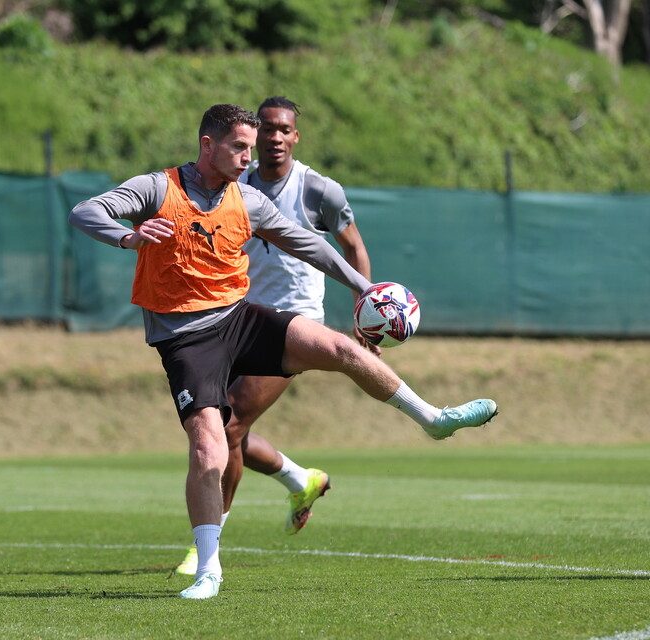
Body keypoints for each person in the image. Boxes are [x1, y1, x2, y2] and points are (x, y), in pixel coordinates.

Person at [69, 103, 498, 600]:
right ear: (207, 145)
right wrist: (129, 235)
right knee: (210, 443)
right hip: (186, 337)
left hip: (240, 317)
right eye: (239, 146)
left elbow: (304, 242)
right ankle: (209, 570)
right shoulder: (157, 188)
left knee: (341, 348)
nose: (247, 155)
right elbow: (86, 211)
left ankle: (433, 419)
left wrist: (361, 286)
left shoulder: (247, 200)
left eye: (251, 146)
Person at [173, 96, 376, 575]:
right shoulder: (235, 184)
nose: (275, 138)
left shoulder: (317, 190)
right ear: (253, 134)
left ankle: (207, 546)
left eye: (285, 130)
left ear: (296, 136)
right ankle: (301, 478)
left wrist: (361, 310)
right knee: (217, 428)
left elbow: (354, 248)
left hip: (295, 322)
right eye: (267, 129)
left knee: (228, 426)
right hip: (236, 320)